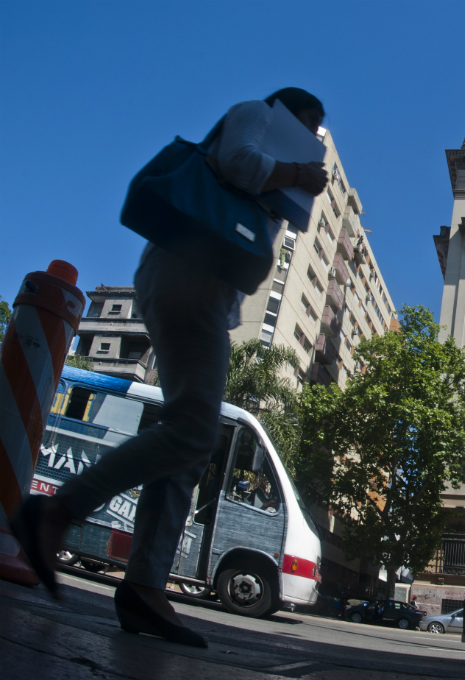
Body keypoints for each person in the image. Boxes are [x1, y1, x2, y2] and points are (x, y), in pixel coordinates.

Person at [11, 88, 329, 648]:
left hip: (202, 288)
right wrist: (298, 171)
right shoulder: (258, 115)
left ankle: (145, 585)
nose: (314, 138)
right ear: (289, 114)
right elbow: (239, 163)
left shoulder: (277, 146)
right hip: (189, 277)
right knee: (193, 432)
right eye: (310, 125)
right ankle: (58, 512)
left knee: (188, 446)